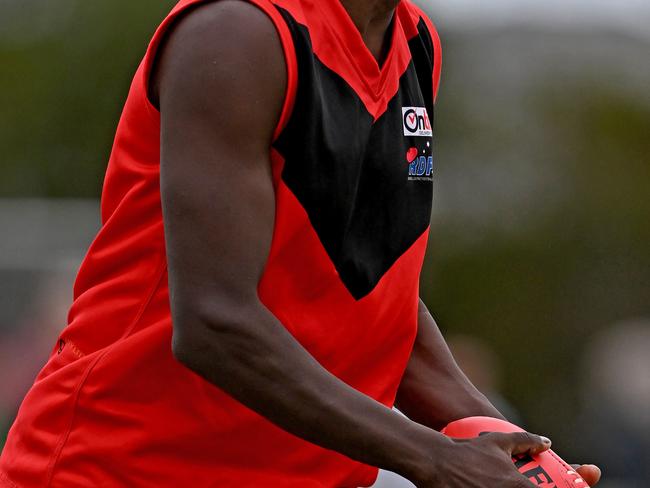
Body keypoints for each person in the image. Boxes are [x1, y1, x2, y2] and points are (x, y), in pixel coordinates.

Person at [0, 1, 601, 487]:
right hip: (122, 470)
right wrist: (434, 459)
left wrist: (520, 458)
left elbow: (375, 299)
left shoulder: (415, 42)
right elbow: (215, 325)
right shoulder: (236, 32)